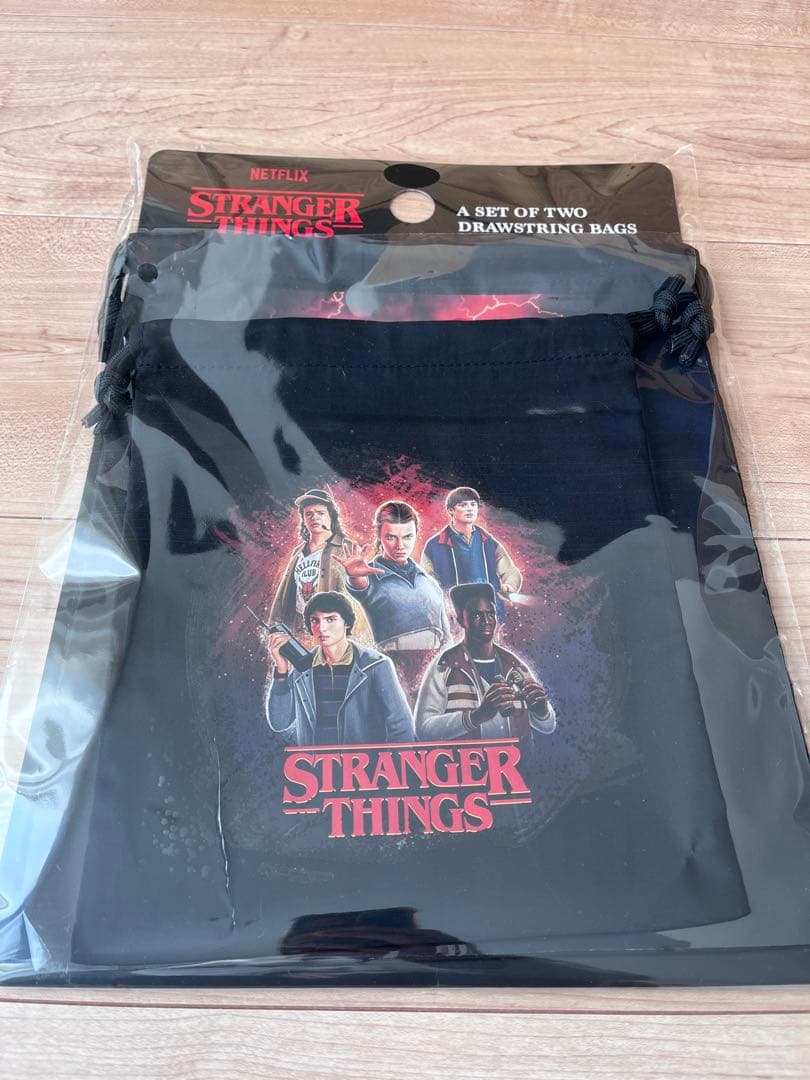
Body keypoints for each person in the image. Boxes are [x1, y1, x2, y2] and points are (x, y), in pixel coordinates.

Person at [265, 590, 414, 746]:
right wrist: (281, 670)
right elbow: (279, 723)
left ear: (347, 623)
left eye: (330, 619)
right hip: (316, 761)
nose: (321, 628)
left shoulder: (376, 666)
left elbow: (401, 724)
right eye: (315, 620)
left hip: (363, 761)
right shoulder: (303, 669)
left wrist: (392, 760)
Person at [337, 501, 451, 697]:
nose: (400, 546)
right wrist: (354, 576)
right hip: (394, 671)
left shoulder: (429, 582)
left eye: (407, 537)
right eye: (391, 537)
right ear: (379, 536)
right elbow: (360, 586)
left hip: (434, 672)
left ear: (416, 534)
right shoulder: (371, 576)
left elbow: (446, 638)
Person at [415, 583, 556, 742]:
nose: (486, 621)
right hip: (468, 758)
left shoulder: (514, 664)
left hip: (517, 758)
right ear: (461, 620)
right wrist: (476, 716)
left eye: (490, 614)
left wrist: (542, 711)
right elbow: (423, 730)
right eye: (476, 615)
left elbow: (548, 726)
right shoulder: (445, 664)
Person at [269, 488, 369, 641]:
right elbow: (286, 594)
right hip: (300, 628)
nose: (314, 517)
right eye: (309, 514)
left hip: (332, 630)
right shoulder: (298, 552)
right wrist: (276, 625)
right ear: (303, 518)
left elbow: (358, 595)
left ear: (331, 516)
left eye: (320, 513)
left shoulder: (346, 548)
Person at [421, 486, 522, 622]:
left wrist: (509, 585)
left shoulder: (488, 542)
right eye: (463, 505)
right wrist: (444, 604)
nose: (470, 509)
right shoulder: (434, 545)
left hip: (491, 617)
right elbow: (426, 582)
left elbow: (510, 571)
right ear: (451, 510)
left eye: (473, 504)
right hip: (454, 619)